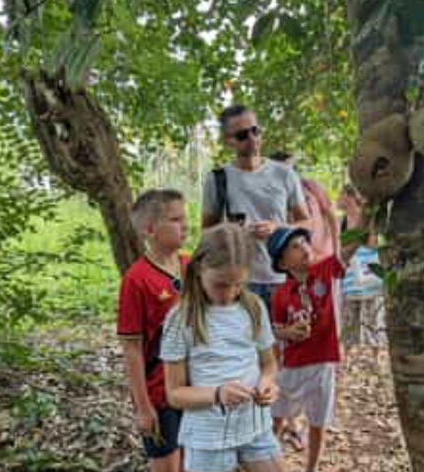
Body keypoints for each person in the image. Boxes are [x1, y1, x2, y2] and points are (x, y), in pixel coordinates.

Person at [161, 224, 285, 472]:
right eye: (220, 284)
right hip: (207, 436)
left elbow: (269, 364)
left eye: (238, 284)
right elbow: (174, 394)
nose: (229, 293)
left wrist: (268, 384)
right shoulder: (182, 318)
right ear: (198, 269)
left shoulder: (254, 307)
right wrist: (217, 394)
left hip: (255, 426)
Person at [266, 224, 361, 472]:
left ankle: (312, 468)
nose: (304, 248)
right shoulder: (279, 295)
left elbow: (350, 248)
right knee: (275, 419)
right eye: (295, 247)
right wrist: (288, 332)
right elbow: (273, 332)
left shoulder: (325, 270)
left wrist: (364, 216)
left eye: (304, 242)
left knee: (317, 423)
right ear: (283, 264)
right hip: (290, 367)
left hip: (321, 364)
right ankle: (268, 464)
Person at [201, 105, 310, 310]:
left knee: (287, 340)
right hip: (239, 281)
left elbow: (307, 222)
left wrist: (278, 228)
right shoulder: (217, 179)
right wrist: (234, 233)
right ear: (228, 141)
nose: (252, 138)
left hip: (283, 277)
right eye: (242, 135)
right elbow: (206, 233)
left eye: (255, 130)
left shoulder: (284, 174)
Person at [117, 189, 189, 472]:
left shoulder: (189, 265)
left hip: (193, 385)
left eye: (184, 217)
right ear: (149, 229)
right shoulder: (136, 279)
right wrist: (144, 407)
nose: (185, 225)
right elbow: (131, 349)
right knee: (167, 464)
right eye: (175, 219)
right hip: (159, 393)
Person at [337, 185, 385, 364]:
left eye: (341, 195)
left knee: (373, 314)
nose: (337, 200)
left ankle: (376, 354)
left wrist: (361, 233)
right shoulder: (340, 222)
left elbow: (373, 245)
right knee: (348, 315)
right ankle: (346, 355)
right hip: (348, 274)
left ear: (349, 197)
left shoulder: (368, 219)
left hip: (367, 271)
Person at [268, 152, 337, 261]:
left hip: (325, 252)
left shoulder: (310, 185)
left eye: (290, 167)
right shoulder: (274, 197)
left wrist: (337, 251)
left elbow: (332, 218)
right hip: (300, 260)